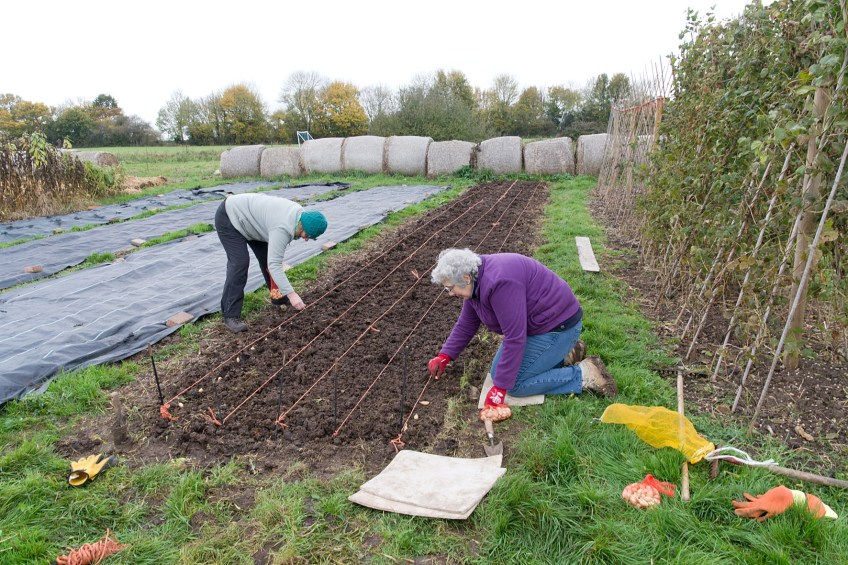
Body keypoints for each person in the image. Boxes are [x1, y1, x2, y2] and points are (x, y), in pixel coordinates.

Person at [427, 248, 617, 421]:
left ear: (466, 277)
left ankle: (583, 374)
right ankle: (564, 353)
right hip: (539, 327)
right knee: (498, 373)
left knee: (514, 385)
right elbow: (467, 324)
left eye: (450, 288)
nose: (450, 293)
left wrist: (500, 389)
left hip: (559, 326)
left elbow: (515, 337)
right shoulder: (476, 281)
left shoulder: (499, 282)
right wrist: (445, 355)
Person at [215, 192, 327, 333]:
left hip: (252, 223)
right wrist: (292, 294)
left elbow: (272, 262)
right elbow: (275, 265)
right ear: (301, 226)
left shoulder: (301, 216)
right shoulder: (282, 228)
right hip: (230, 217)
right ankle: (230, 315)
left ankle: (278, 298)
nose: (306, 239)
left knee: (266, 258)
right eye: (307, 235)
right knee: (239, 263)